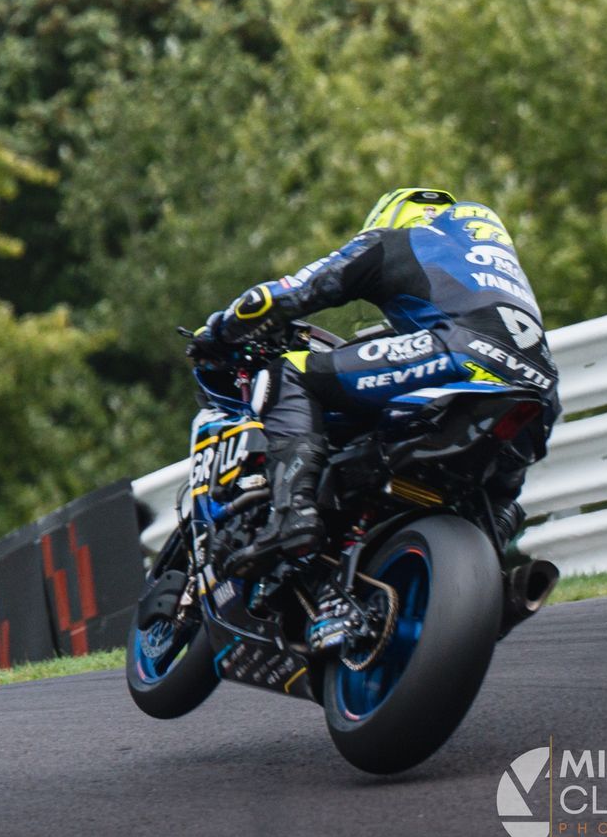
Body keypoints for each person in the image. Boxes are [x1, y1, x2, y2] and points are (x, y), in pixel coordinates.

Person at [198, 187, 559, 575]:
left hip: (458, 354)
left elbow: (288, 295)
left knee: (292, 372)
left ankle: (293, 514)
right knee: (500, 495)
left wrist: (222, 331)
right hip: (540, 392)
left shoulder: (393, 241)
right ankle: (490, 565)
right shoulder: (496, 268)